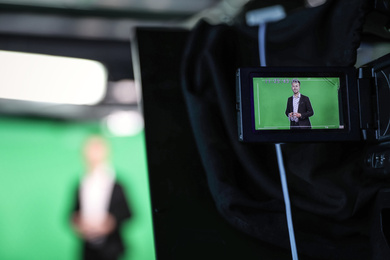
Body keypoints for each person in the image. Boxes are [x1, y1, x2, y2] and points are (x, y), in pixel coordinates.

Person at [71, 135, 131, 260]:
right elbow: (72, 214)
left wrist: (111, 222)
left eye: (97, 149)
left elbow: (129, 213)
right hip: (87, 249)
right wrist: (78, 223)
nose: (93, 155)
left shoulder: (117, 185)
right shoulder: (81, 184)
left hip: (112, 248)